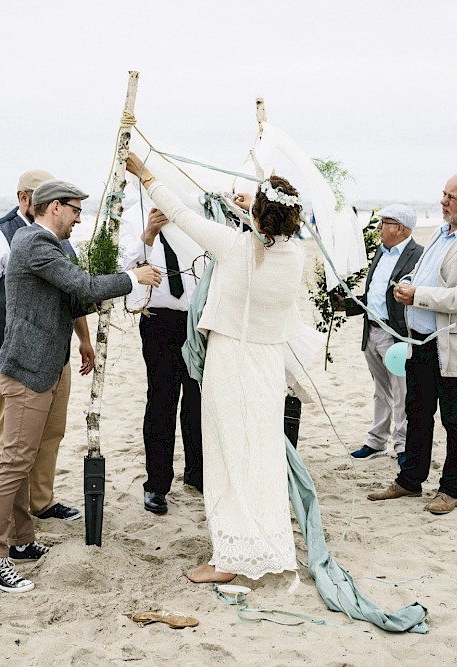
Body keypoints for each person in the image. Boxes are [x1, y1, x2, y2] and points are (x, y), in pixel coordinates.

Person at [126, 151, 305, 585]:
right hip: (268, 362)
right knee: (261, 454)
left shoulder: (236, 246)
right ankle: (267, 542)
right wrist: (252, 211)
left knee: (227, 457)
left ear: (258, 214)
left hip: (232, 360)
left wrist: (145, 173)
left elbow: (181, 212)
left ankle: (229, 557)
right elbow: (267, 235)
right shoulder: (295, 254)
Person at [0, 179, 162, 593]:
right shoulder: (34, 243)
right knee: (13, 463)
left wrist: (117, 281)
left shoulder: (48, 245)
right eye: (76, 210)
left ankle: (22, 542)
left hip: (41, 365)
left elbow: (78, 298)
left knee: (23, 462)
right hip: (26, 368)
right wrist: (134, 278)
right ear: (54, 206)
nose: (80, 218)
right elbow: (84, 287)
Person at [367, 171, 457, 515]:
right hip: (420, 341)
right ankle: (410, 480)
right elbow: (427, 275)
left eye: (451, 197)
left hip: (453, 344)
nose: (443, 201)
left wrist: (418, 295)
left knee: (455, 420)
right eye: (443, 194)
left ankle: (451, 490)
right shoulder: (441, 233)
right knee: (418, 412)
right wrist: (408, 284)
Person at [0, 170, 89, 525]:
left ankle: (41, 500)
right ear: (25, 198)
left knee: (51, 432)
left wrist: (82, 338)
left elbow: (71, 290)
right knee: (10, 442)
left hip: (56, 353)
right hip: (15, 357)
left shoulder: (60, 236)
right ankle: (4, 515)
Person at [120, 207, 203, 515]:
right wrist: (149, 235)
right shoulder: (132, 215)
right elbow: (124, 267)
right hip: (158, 320)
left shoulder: (192, 213)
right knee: (161, 401)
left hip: (197, 321)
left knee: (197, 400)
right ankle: (157, 484)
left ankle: (197, 473)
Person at [338, 205, 423, 467]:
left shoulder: (418, 255)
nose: (379, 228)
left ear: (399, 228)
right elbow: (374, 296)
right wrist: (346, 305)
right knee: (380, 390)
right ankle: (376, 442)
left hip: (395, 334)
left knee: (402, 392)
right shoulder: (380, 253)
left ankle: (402, 446)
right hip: (372, 331)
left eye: (384, 223)